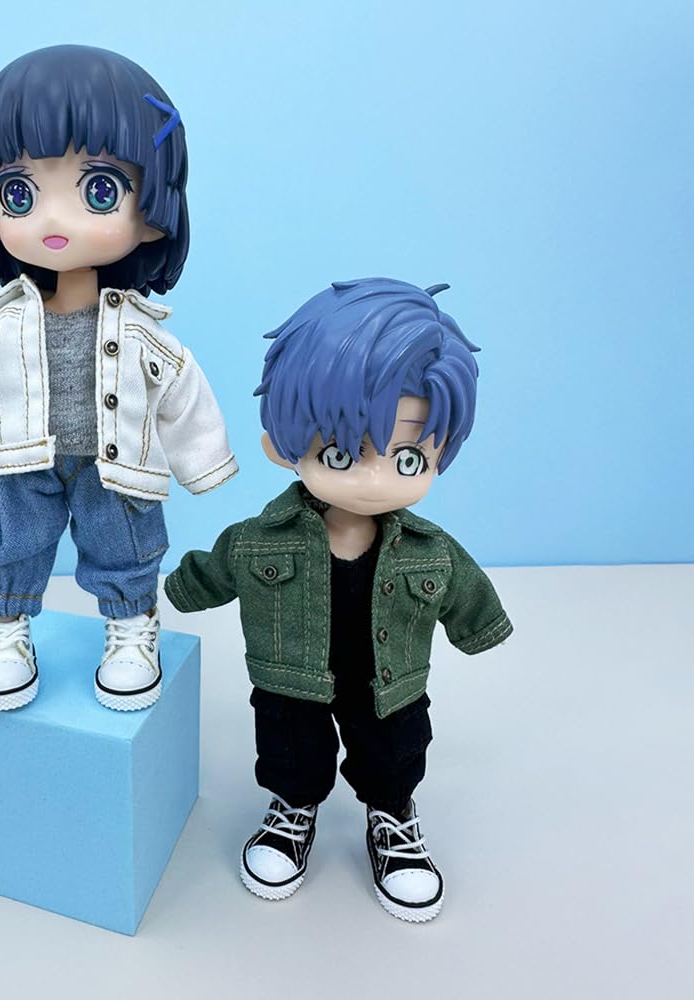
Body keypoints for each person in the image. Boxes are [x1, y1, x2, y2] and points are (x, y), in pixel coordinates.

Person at [163, 278, 511, 921]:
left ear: (442, 452)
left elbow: (469, 597)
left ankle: (393, 816)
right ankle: (293, 809)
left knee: (395, 750)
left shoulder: (431, 552)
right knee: (291, 748)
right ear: (281, 445)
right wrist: (172, 592)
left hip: (389, 682)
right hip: (292, 678)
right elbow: (212, 571)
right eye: (342, 452)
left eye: (409, 458)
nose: (376, 478)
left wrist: (481, 627)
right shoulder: (258, 541)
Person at [0, 46, 236, 713]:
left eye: (99, 190)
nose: (53, 221)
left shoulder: (144, 333)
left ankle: (131, 629)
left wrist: (203, 463)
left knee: (124, 544)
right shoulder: (0, 328)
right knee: (10, 545)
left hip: (112, 460)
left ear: (153, 207)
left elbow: (180, 390)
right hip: (18, 459)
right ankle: (6, 631)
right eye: (19, 193)